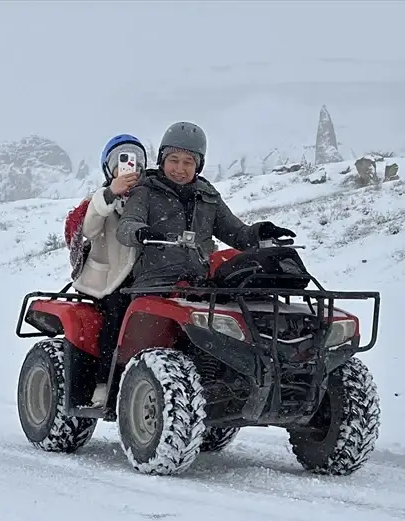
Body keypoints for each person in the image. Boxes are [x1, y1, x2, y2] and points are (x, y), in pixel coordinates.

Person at [116, 121, 295, 292]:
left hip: (201, 284)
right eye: (174, 160)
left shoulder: (208, 196)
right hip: (154, 283)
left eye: (188, 162)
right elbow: (126, 226)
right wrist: (140, 232)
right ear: (162, 161)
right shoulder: (145, 190)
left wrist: (259, 232)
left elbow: (237, 234)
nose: (180, 168)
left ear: (198, 166)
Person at [70, 134, 149, 406]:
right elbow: (89, 229)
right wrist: (110, 193)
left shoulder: (148, 196)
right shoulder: (102, 198)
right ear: (109, 168)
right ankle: (103, 384)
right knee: (114, 321)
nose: (130, 167)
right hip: (108, 280)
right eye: (122, 161)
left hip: (144, 278)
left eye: (136, 161)